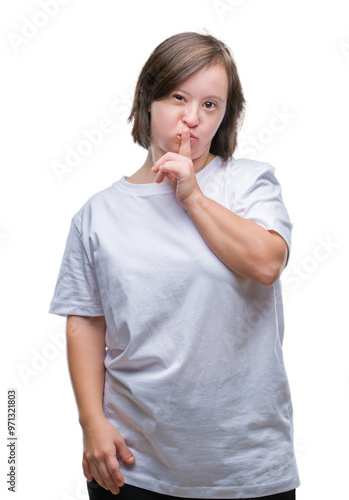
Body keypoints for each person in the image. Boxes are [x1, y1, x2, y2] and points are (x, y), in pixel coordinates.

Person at [49, 31, 300, 499]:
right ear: (148, 100)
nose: (192, 118)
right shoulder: (97, 215)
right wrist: (91, 423)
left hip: (246, 468)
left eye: (211, 105)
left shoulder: (248, 183)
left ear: (226, 115)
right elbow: (85, 321)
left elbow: (266, 263)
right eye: (178, 97)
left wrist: (192, 197)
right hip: (133, 466)